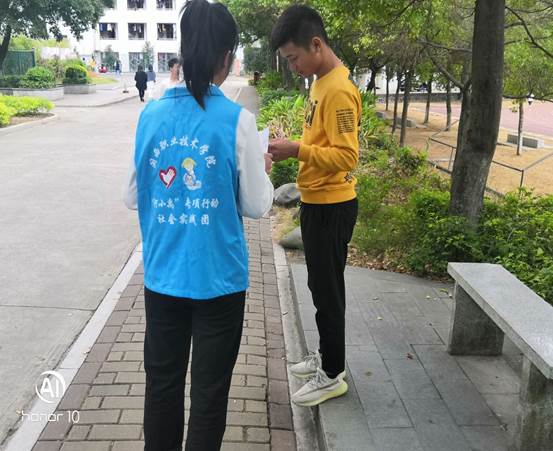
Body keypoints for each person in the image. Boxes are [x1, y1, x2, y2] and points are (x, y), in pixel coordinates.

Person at [122, 0, 274, 449]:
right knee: (209, 395)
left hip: (163, 278)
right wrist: (262, 169)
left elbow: (132, 196)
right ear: (226, 56)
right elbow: (256, 205)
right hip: (219, 283)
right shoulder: (238, 121)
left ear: (184, 49)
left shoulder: (150, 115)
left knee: (162, 385)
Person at [268, 5, 361, 407]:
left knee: (328, 292)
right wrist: (296, 144)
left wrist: (297, 150)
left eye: (294, 58)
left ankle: (333, 374)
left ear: (317, 45)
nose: (293, 67)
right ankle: (326, 356)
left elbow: (347, 156)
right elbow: (321, 142)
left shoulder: (338, 90)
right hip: (316, 201)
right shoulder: (321, 82)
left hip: (332, 207)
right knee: (319, 287)